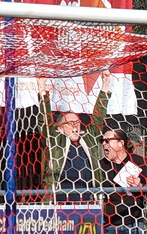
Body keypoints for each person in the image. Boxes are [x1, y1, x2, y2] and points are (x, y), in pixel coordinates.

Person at [38, 72, 111, 201]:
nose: (75, 126)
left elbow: (98, 118)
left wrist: (105, 83)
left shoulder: (88, 139)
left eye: (77, 123)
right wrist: (42, 89)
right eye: (70, 123)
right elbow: (45, 121)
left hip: (88, 202)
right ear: (60, 128)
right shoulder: (55, 140)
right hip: (59, 202)